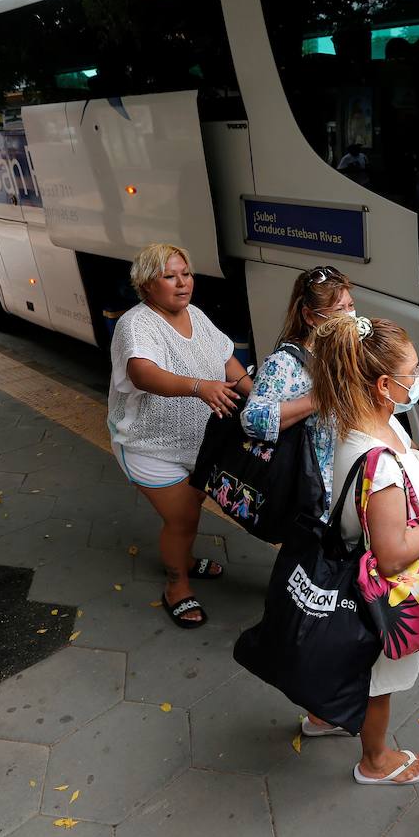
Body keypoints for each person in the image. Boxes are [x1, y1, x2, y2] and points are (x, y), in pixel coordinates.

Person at [310, 314, 419, 786]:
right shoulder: (379, 457)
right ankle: (375, 760)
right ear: (383, 384)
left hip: (350, 572)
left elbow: (412, 475)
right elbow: (393, 553)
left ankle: (323, 715)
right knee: (378, 682)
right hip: (381, 593)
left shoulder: (376, 427)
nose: (417, 380)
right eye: (412, 373)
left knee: (347, 661)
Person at [107, 243, 253, 629]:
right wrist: (198, 387)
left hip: (198, 444)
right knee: (184, 519)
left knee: (190, 509)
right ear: (146, 284)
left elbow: (229, 365)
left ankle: (184, 559)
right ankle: (177, 585)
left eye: (186, 273)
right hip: (149, 446)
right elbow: (142, 373)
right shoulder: (136, 324)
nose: (182, 283)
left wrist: (258, 399)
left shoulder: (196, 315)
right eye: (170, 276)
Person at [241, 265, 358, 739]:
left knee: (341, 602)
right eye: (340, 310)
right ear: (312, 316)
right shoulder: (286, 365)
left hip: (350, 493)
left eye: (352, 306)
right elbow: (254, 419)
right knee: (326, 605)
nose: (351, 316)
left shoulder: (346, 351)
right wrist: (318, 398)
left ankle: (326, 702)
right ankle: (317, 696)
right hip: (318, 506)